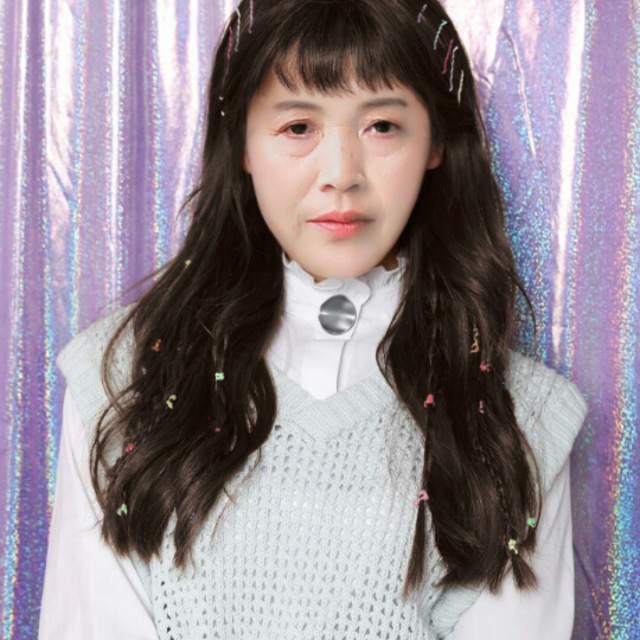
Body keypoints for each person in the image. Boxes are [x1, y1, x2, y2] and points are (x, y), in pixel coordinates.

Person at [39, 0, 588, 638]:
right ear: (243, 142)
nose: (340, 176)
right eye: (298, 126)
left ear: (436, 141)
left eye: (382, 125)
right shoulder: (123, 377)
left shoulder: (521, 418)